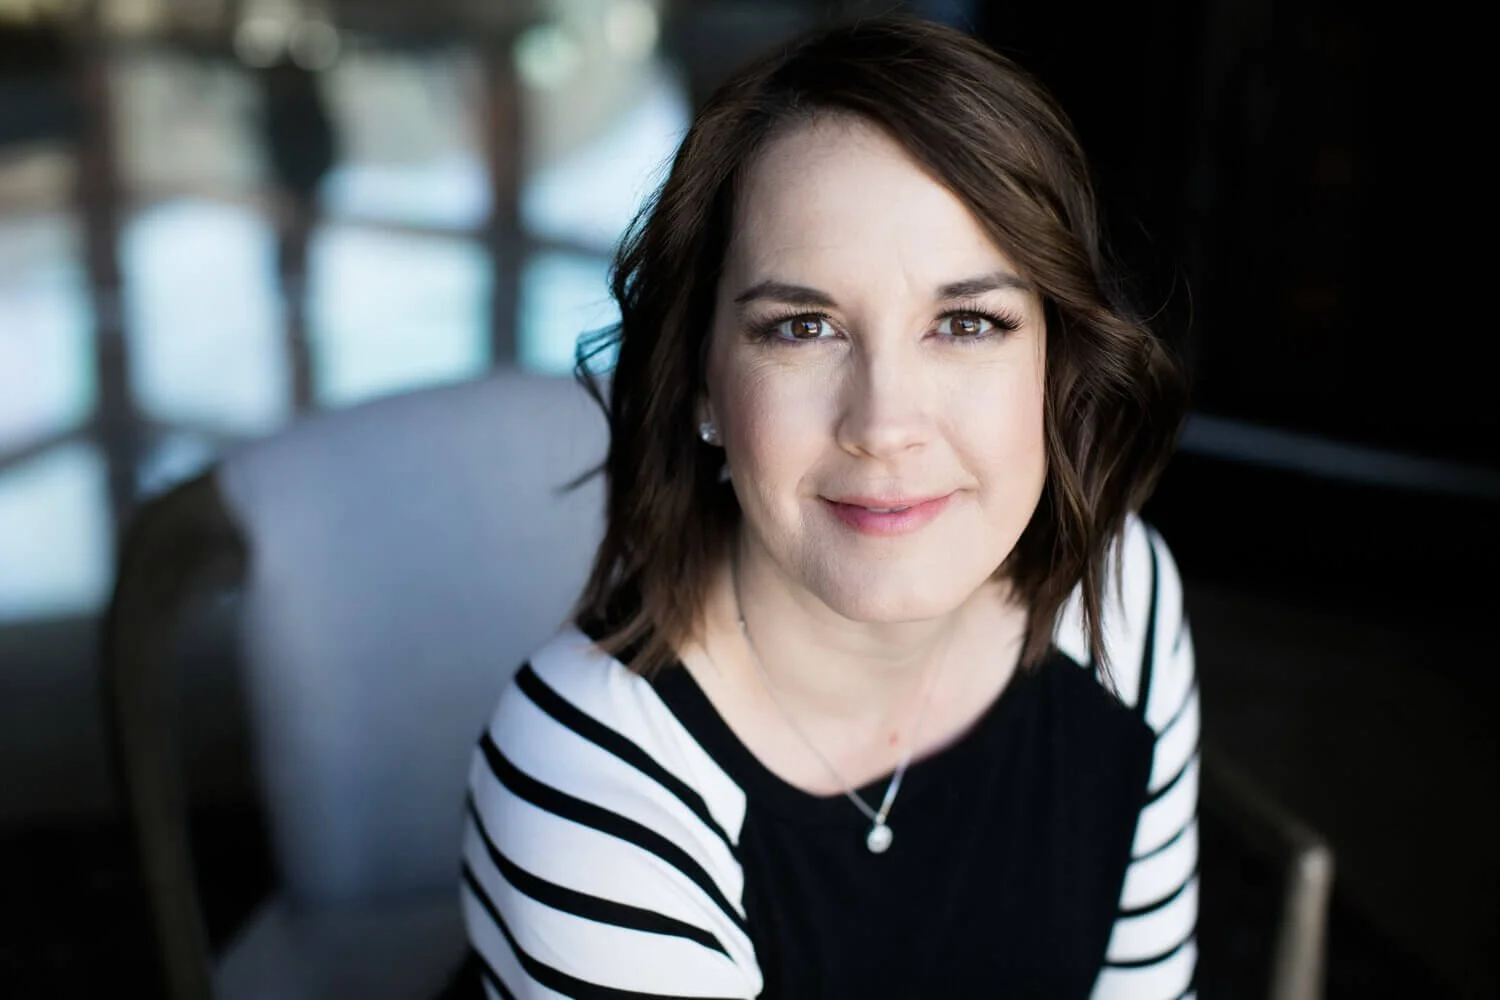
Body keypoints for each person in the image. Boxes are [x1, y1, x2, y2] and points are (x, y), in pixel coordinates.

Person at [456, 15, 1198, 999]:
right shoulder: (588, 778)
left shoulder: (1118, 596)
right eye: (803, 327)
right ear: (704, 384)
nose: (884, 426)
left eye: (967, 322)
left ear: (1055, 365)